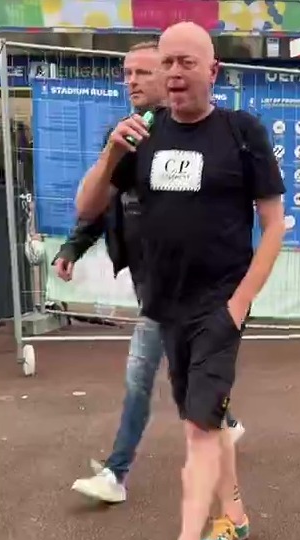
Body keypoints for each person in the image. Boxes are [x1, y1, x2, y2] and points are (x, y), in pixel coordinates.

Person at [75, 22, 285, 540]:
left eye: (186, 62)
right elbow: (88, 207)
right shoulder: (140, 134)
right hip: (164, 307)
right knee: (208, 418)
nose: (173, 73)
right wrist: (112, 153)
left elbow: (273, 227)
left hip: (219, 309)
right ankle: (235, 516)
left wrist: (241, 304)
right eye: (166, 62)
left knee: (196, 427)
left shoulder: (241, 132)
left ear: (212, 71)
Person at [64, 41, 245, 505]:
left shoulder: (211, 137)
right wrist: (73, 247)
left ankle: (116, 472)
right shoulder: (127, 134)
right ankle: (223, 422)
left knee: (140, 376)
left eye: (144, 72)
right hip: (154, 285)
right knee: (184, 381)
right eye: (128, 72)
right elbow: (99, 203)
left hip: (192, 290)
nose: (133, 81)